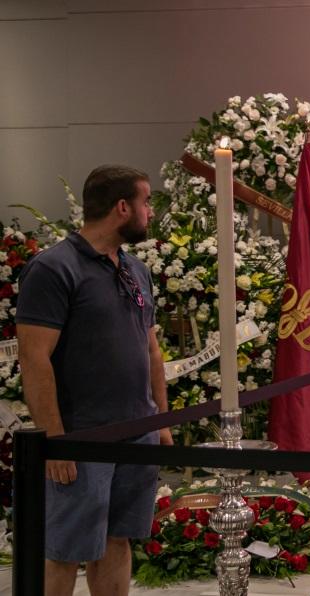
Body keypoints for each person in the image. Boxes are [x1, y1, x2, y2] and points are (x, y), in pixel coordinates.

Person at [16, 165, 171, 595]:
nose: (150, 212)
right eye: (146, 202)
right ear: (123, 208)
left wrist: (161, 421)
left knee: (117, 538)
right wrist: (56, 440)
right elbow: (34, 358)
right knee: (65, 549)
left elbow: (151, 349)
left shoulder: (135, 269)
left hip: (137, 433)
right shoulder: (52, 269)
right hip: (81, 439)